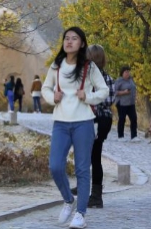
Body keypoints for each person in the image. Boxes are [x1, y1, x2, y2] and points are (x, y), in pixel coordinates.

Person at [41, 27, 109, 229]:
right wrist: (52, 98)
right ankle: (68, 199)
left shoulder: (89, 67)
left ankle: (80, 213)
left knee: (82, 169)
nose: (69, 41)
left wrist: (88, 97)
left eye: (74, 38)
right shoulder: (56, 66)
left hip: (84, 122)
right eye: (66, 38)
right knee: (55, 166)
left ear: (82, 43)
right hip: (61, 122)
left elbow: (104, 90)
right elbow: (45, 88)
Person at [71, 44, 115, 208]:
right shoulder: (102, 78)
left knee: (93, 155)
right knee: (87, 154)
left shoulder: (97, 79)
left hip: (97, 119)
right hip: (94, 118)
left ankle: (96, 195)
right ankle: (85, 187)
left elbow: (107, 101)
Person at [114, 66, 138, 141]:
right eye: (126, 72)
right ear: (122, 73)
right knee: (122, 119)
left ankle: (134, 136)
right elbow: (114, 92)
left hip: (131, 103)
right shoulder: (119, 81)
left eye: (128, 71)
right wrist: (124, 92)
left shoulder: (131, 80)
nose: (128, 73)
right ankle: (120, 136)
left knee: (134, 118)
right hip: (122, 103)